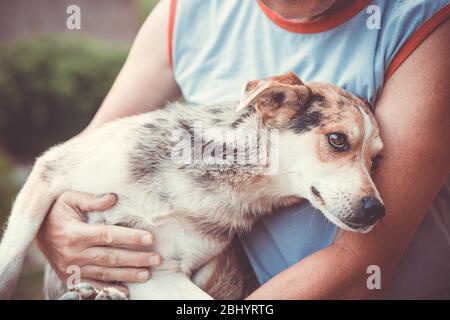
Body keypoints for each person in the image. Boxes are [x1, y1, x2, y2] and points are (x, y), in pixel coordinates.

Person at [36, 0, 450, 299]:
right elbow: (86, 152)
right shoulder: (187, 11)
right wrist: (53, 227)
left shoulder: (422, 18)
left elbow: (358, 269)